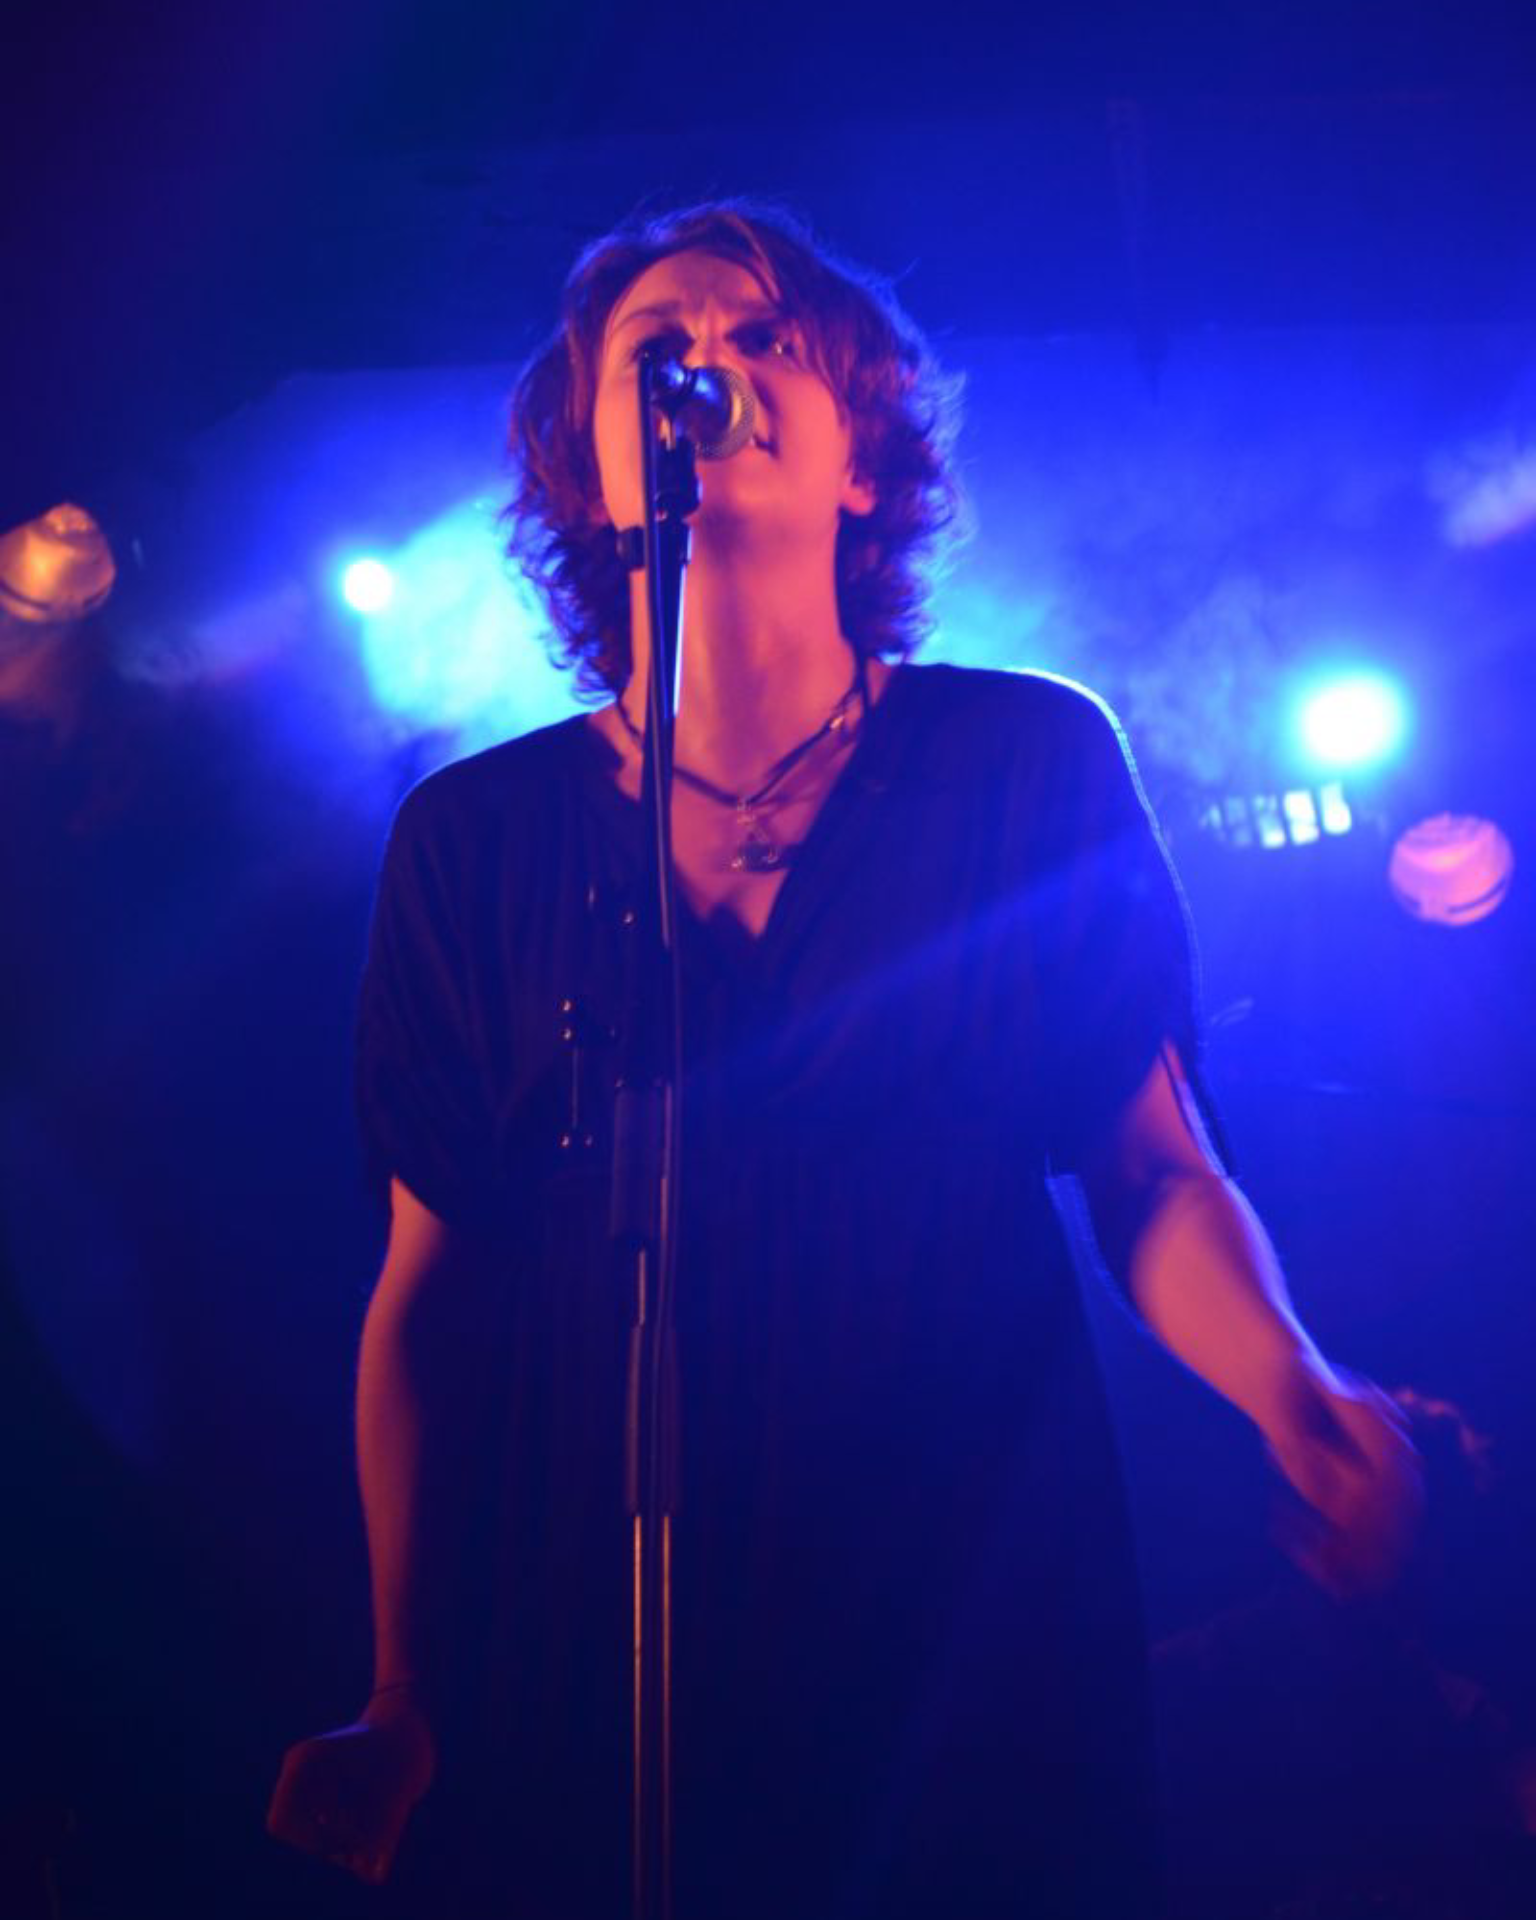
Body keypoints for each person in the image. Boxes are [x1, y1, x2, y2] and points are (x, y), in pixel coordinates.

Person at [267, 200, 1421, 1918]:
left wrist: (1294, 1384)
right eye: (659, 348)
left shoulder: (1021, 759)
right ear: (588, 465)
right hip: (604, 1627)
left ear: (864, 460)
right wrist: (401, 1686)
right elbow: (426, 1290)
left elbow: (1153, 1169)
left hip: (975, 1596)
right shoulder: (474, 838)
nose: (707, 367)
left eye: (762, 339)